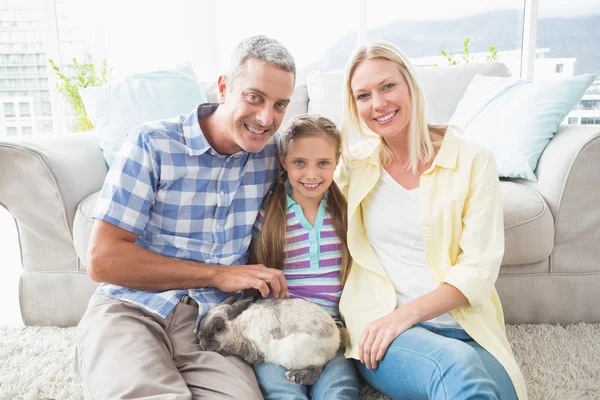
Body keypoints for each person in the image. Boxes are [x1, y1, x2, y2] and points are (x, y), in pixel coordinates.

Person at [75, 35, 296, 400]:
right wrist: (218, 274)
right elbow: (102, 260)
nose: (265, 118)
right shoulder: (152, 143)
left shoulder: (274, 156)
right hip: (131, 308)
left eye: (280, 105)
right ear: (224, 88)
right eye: (254, 97)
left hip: (216, 323)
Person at [336, 41, 528, 400]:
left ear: (410, 84)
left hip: (464, 323)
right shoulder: (354, 167)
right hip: (384, 325)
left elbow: (478, 267)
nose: (377, 104)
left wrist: (407, 313)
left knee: (501, 393)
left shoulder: (474, 161)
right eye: (363, 95)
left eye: (387, 86)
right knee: (456, 367)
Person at [248, 114, 360, 400]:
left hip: (330, 333)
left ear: (337, 162)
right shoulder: (269, 215)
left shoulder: (346, 214)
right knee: (281, 391)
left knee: (340, 391)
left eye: (323, 163)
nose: (311, 174)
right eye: (300, 163)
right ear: (284, 161)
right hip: (280, 333)